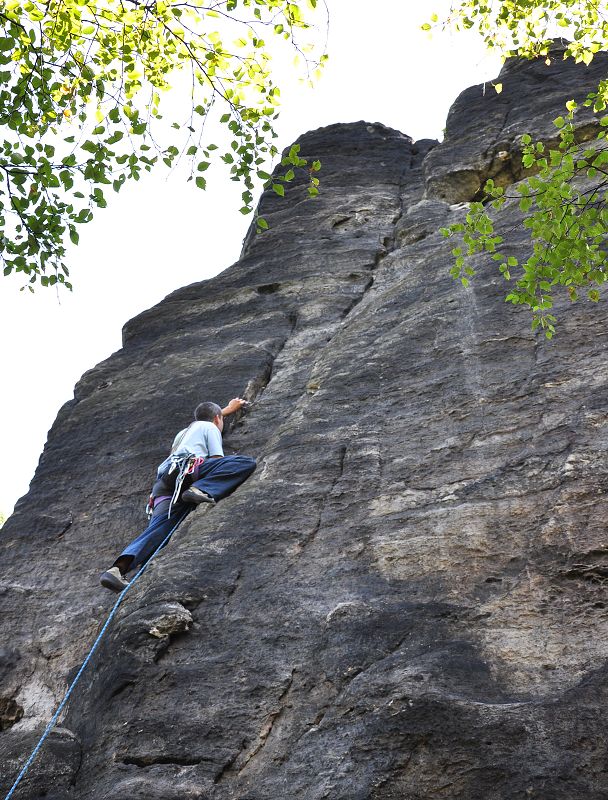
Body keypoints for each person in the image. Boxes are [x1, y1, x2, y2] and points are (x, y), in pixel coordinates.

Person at [100, 398, 256, 592]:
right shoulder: (210, 428)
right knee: (244, 463)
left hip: (164, 487)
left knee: (158, 531)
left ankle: (117, 569)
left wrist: (226, 411)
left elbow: (207, 418)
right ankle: (201, 489)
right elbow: (217, 459)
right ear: (217, 419)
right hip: (188, 473)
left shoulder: (184, 433)